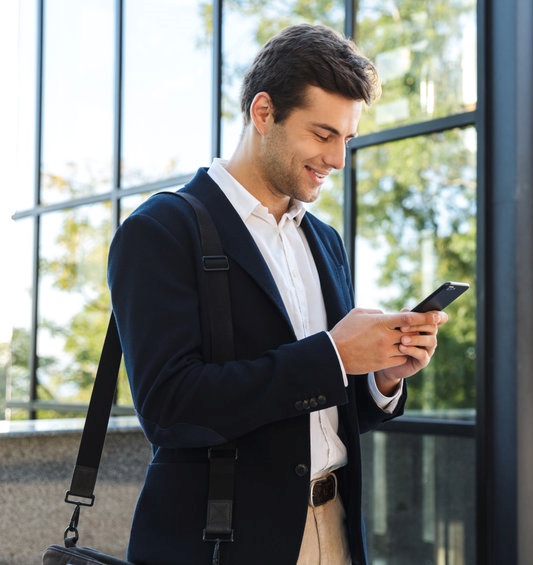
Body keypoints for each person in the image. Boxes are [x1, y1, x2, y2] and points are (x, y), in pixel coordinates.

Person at [107, 23, 448, 564]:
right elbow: (170, 408)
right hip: (227, 544)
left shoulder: (324, 240)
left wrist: (380, 377)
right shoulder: (161, 230)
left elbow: (316, 410)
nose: (337, 159)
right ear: (263, 113)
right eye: (322, 134)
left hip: (335, 530)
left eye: (347, 139)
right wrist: (335, 355)